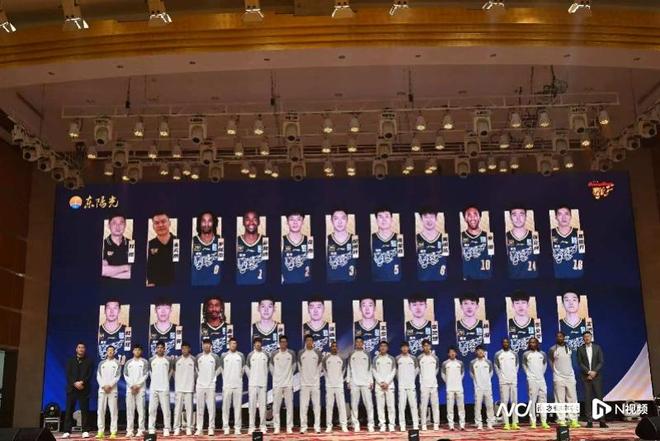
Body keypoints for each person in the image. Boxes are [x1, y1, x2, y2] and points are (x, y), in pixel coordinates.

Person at [62, 342, 93, 439]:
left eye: (83, 347)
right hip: (72, 388)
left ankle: (85, 430)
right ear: (76, 349)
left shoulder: (89, 361)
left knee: (84, 410)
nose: (81, 349)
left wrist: (82, 382)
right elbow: (68, 374)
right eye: (79, 347)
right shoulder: (70, 360)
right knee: (69, 410)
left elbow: (90, 374)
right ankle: (67, 431)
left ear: (85, 349)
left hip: (84, 388)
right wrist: (74, 383)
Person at [548, 332, 580, 428]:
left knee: (572, 398)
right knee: (560, 399)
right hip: (558, 377)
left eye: (561, 336)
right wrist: (555, 372)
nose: (559, 338)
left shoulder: (569, 348)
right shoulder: (552, 349)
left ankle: (573, 419)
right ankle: (561, 419)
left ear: (564, 337)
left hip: (570, 376)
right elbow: (550, 361)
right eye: (558, 336)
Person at [577, 331, 607, 428]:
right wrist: (589, 372)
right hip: (586, 377)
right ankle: (589, 421)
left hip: (596, 376)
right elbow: (580, 363)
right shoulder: (580, 349)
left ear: (591, 337)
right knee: (587, 399)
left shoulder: (597, 348)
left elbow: (601, 362)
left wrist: (594, 372)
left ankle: (602, 421)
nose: (587, 338)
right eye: (585, 337)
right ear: (583, 339)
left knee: (599, 398)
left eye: (588, 336)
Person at [346, 336, 375, 432]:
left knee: (369, 405)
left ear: (363, 343)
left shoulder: (367, 354)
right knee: (354, 404)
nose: (358, 343)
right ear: (355, 343)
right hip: (354, 382)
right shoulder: (351, 354)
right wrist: (348, 380)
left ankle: (370, 424)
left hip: (366, 382)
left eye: (360, 342)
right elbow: (349, 367)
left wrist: (371, 381)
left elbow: (370, 368)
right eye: (357, 342)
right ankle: (355, 424)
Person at [270, 335, 297, 434]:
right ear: (279, 343)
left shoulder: (291, 353)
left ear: (287, 343)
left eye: (285, 342)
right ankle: (276, 427)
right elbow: (271, 367)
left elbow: (294, 367)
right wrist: (277, 377)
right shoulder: (274, 354)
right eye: (281, 342)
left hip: (288, 384)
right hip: (277, 384)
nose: (283, 343)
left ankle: (289, 427)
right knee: (276, 407)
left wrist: (288, 376)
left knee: (289, 406)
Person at [522, 337, 550, 429]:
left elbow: (545, 364)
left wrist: (541, 374)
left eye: (534, 342)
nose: (532, 344)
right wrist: (529, 375)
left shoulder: (542, 354)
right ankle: (533, 421)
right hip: (532, 380)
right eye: (531, 342)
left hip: (541, 379)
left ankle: (544, 421)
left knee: (543, 400)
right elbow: (524, 365)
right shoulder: (526, 354)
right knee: (532, 400)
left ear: (537, 344)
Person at [194, 339, 221, 436]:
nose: (206, 346)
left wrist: (213, 379)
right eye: (204, 344)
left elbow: (219, 369)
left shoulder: (215, 357)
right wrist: (200, 379)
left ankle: (211, 428)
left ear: (210, 346)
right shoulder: (198, 357)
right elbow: (196, 370)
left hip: (210, 386)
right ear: (202, 345)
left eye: (208, 344)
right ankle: (199, 428)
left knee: (211, 408)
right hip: (200, 386)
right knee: (199, 408)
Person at [551, 205, 585, 279]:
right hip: (557, 279)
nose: (564, 218)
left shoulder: (579, 233)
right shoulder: (551, 233)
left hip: (578, 277)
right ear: (556, 217)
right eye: (560, 214)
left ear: (571, 216)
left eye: (566, 214)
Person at [220, 338, 245, 435]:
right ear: (229, 344)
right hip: (227, 385)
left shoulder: (241, 355)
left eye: (235, 343)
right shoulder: (224, 355)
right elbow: (222, 369)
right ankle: (226, 427)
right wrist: (226, 379)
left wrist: (238, 379)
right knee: (225, 407)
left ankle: (237, 428)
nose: (233, 345)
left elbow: (243, 370)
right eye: (232, 343)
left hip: (238, 385)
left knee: (237, 407)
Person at [298, 334, 323, 433]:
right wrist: (304, 379)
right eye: (307, 340)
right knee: (304, 407)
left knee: (316, 406)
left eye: (310, 340)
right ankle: (303, 427)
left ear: (313, 342)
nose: (309, 342)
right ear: (305, 342)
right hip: (304, 384)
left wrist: (315, 378)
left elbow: (319, 368)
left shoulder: (317, 353)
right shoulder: (301, 353)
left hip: (315, 384)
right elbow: (300, 368)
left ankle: (317, 426)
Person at [148, 341, 174, 436]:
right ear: (156, 349)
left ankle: (167, 428)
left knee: (166, 410)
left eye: (161, 347)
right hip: (154, 388)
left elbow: (170, 372)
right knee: (152, 410)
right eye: (158, 347)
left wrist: (165, 381)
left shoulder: (168, 360)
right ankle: (151, 428)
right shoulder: (151, 360)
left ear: (164, 349)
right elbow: (150, 373)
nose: (159, 349)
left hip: (164, 388)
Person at [322, 341, 349, 433]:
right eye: (332, 346)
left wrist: (339, 380)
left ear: (338, 348)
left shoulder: (342, 359)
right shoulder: (326, 359)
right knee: (329, 406)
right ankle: (329, 426)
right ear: (330, 348)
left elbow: (343, 371)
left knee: (341, 406)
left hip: (339, 385)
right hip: (329, 385)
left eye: (335, 346)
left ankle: (344, 425)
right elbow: (325, 371)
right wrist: (329, 380)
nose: (334, 348)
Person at [460, 206, 493, 280]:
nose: (472, 218)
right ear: (465, 218)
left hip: (487, 280)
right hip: (467, 281)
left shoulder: (489, 236)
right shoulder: (460, 237)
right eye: (469, 215)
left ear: (479, 217)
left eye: (475, 214)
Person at [505, 207, 538, 279]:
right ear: (510, 217)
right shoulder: (505, 237)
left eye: (521, 214)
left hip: (533, 280)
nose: (518, 218)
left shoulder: (535, 236)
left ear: (526, 216)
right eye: (514, 215)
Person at [124, 344, 149, 437]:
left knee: (141, 410)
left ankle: (141, 430)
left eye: (139, 350)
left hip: (140, 389)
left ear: (141, 351)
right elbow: (125, 375)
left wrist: (138, 385)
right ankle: (129, 430)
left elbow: (145, 374)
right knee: (130, 411)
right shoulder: (128, 362)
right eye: (135, 350)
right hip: (130, 389)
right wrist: (132, 385)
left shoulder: (144, 362)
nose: (137, 351)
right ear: (133, 351)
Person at [416, 208, 448, 281]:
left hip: (442, 282)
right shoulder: (416, 239)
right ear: (421, 219)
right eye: (426, 217)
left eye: (431, 216)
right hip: (422, 283)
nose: (429, 220)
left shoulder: (445, 238)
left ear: (436, 218)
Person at [96, 346, 121, 439]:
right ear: (106, 352)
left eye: (112, 350)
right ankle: (100, 431)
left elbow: (117, 376)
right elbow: (98, 376)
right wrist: (103, 385)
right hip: (102, 390)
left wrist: (110, 385)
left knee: (113, 411)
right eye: (108, 350)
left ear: (114, 352)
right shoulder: (101, 363)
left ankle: (113, 432)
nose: (110, 352)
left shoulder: (117, 363)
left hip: (112, 390)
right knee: (101, 411)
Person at [146, 212, 177, 287]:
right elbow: (148, 268)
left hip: (177, 287)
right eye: (156, 223)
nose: (160, 225)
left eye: (163, 221)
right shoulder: (149, 245)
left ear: (169, 223)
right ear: (153, 226)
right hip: (155, 287)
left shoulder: (178, 242)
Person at [236, 210, 267, 285]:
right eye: (247, 219)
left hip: (261, 286)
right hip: (240, 286)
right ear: (243, 222)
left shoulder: (265, 241)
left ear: (259, 222)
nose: (251, 222)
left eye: (254, 219)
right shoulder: (236, 241)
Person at [246, 337, 270, 434]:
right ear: (254, 344)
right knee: (252, 406)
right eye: (256, 343)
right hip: (252, 385)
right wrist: (251, 377)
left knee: (263, 406)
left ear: (261, 344)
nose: (258, 344)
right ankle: (251, 426)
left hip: (262, 384)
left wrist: (264, 377)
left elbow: (268, 367)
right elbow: (247, 367)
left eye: (259, 343)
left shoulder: (266, 355)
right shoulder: (250, 355)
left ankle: (263, 426)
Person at [371, 207, 402, 282]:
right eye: (380, 217)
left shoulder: (400, 238)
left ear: (391, 219)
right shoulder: (370, 239)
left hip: (397, 282)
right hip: (376, 283)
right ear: (376, 220)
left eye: (387, 216)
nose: (384, 220)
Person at [191, 211, 222, 286]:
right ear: (199, 223)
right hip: (196, 287)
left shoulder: (221, 242)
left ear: (214, 223)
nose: (206, 224)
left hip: (216, 287)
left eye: (209, 221)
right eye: (203, 221)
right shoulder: (192, 242)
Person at [494, 338, 519, 430]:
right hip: (503, 381)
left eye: (507, 342)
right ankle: (506, 423)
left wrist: (514, 376)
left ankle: (514, 422)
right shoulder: (498, 354)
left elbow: (517, 366)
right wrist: (501, 377)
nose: (505, 344)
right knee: (504, 402)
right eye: (504, 342)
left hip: (513, 381)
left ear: (509, 343)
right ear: (502, 344)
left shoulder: (514, 354)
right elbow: (496, 367)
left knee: (514, 402)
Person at [326, 209, 357, 283]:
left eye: (343, 218)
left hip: (351, 283)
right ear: (331, 221)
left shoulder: (355, 239)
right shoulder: (326, 240)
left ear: (347, 220)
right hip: (330, 284)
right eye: (336, 218)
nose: (340, 222)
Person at [281, 211, 312, 284]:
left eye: (298, 219)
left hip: (307, 285)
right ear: (287, 222)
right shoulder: (281, 241)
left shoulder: (310, 241)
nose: (295, 223)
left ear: (303, 222)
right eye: (291, 219)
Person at [372, 341, 396, 432]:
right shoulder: (375, 359)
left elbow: (393, 371)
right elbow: (374, 371)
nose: (383, 347)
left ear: (387, 348)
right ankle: (382, 424)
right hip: (379, 386)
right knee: (380, 406)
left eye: (385, 346)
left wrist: (387, 382)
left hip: (389, 385)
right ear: (379, 348)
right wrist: (381, 382)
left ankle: (391, 425)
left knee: (391, 406)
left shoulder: (391, 358)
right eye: (381, 346)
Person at [469, 345, 494, 430]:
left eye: (482, 350)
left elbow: (491, 373)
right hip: (478, 388)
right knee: (478, 406)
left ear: (484, 352)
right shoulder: (473, 363)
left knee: (489, 406)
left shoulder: (488, 362)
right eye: (478, 350)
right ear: (476, 352)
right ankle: (479, 423)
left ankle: (490, 423)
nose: (480, 352)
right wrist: (477, 383)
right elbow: (472, 374)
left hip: (487, 387)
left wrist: (486, 382)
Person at [173, 343, 195, 436]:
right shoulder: (177, 360)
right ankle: (176, 428)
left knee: (189, 409)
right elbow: (173, 372)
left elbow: (196, 372)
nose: (184, 350)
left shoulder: (193, 359)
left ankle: (189, 427)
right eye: (183, 348)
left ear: (189, 349)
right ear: (181, 349)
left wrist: (192, 382)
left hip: (189, 388)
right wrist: (178, 382)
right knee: (177, 409)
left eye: (186, 348)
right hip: (179, 388)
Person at [396, 342, 419, 432]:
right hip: (402, 386)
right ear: (401, 348)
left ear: (408, 348)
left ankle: (416, 425)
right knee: (401, 406)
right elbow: (396, 371)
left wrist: (411, 379)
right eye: (403, 347)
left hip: (411, 385)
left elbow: (417, 370)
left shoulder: (413, 358)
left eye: (406, 347)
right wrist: (400, 380)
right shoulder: (397, 358)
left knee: (413, 406)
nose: (405, 349)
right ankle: (402, 425)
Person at [101, 214, 131, 281]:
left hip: (128, 285)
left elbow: (133, 272)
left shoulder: (131, 244)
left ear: (125, 225)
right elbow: (102, 270)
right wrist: (126, 267)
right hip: (106, 286)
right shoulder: (102, 244)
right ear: (109, 225)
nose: (118, 227)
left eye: (121, 223)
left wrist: (110, 273)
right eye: (114, 223)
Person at [441, 346, 465, 431]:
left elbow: (462, 374)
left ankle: (462, 425)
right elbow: (443, 375)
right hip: (449, 388)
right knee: (450, 408)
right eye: (451, 352)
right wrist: (448, 382)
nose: (452, 353)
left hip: (459, 388)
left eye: (454, 352)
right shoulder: (445, 363)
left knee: (461, 407)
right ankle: (451, 425)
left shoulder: (460, 363)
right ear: (448, 354)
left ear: (456, 353)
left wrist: (457, 381)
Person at [418, 340, 440, 431]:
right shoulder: (420, 358)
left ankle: (436, 424)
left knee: (435, 405)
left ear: (430, 346)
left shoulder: (435, 358)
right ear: (422, 347)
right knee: (423, 406)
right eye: (424, 346)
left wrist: (432, 378)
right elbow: (418, 370)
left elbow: (436, 370)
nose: (426, 347)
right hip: (424, 385)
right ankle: (423, 424)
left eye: (428, 345)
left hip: (434, 385)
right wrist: (422, 382)